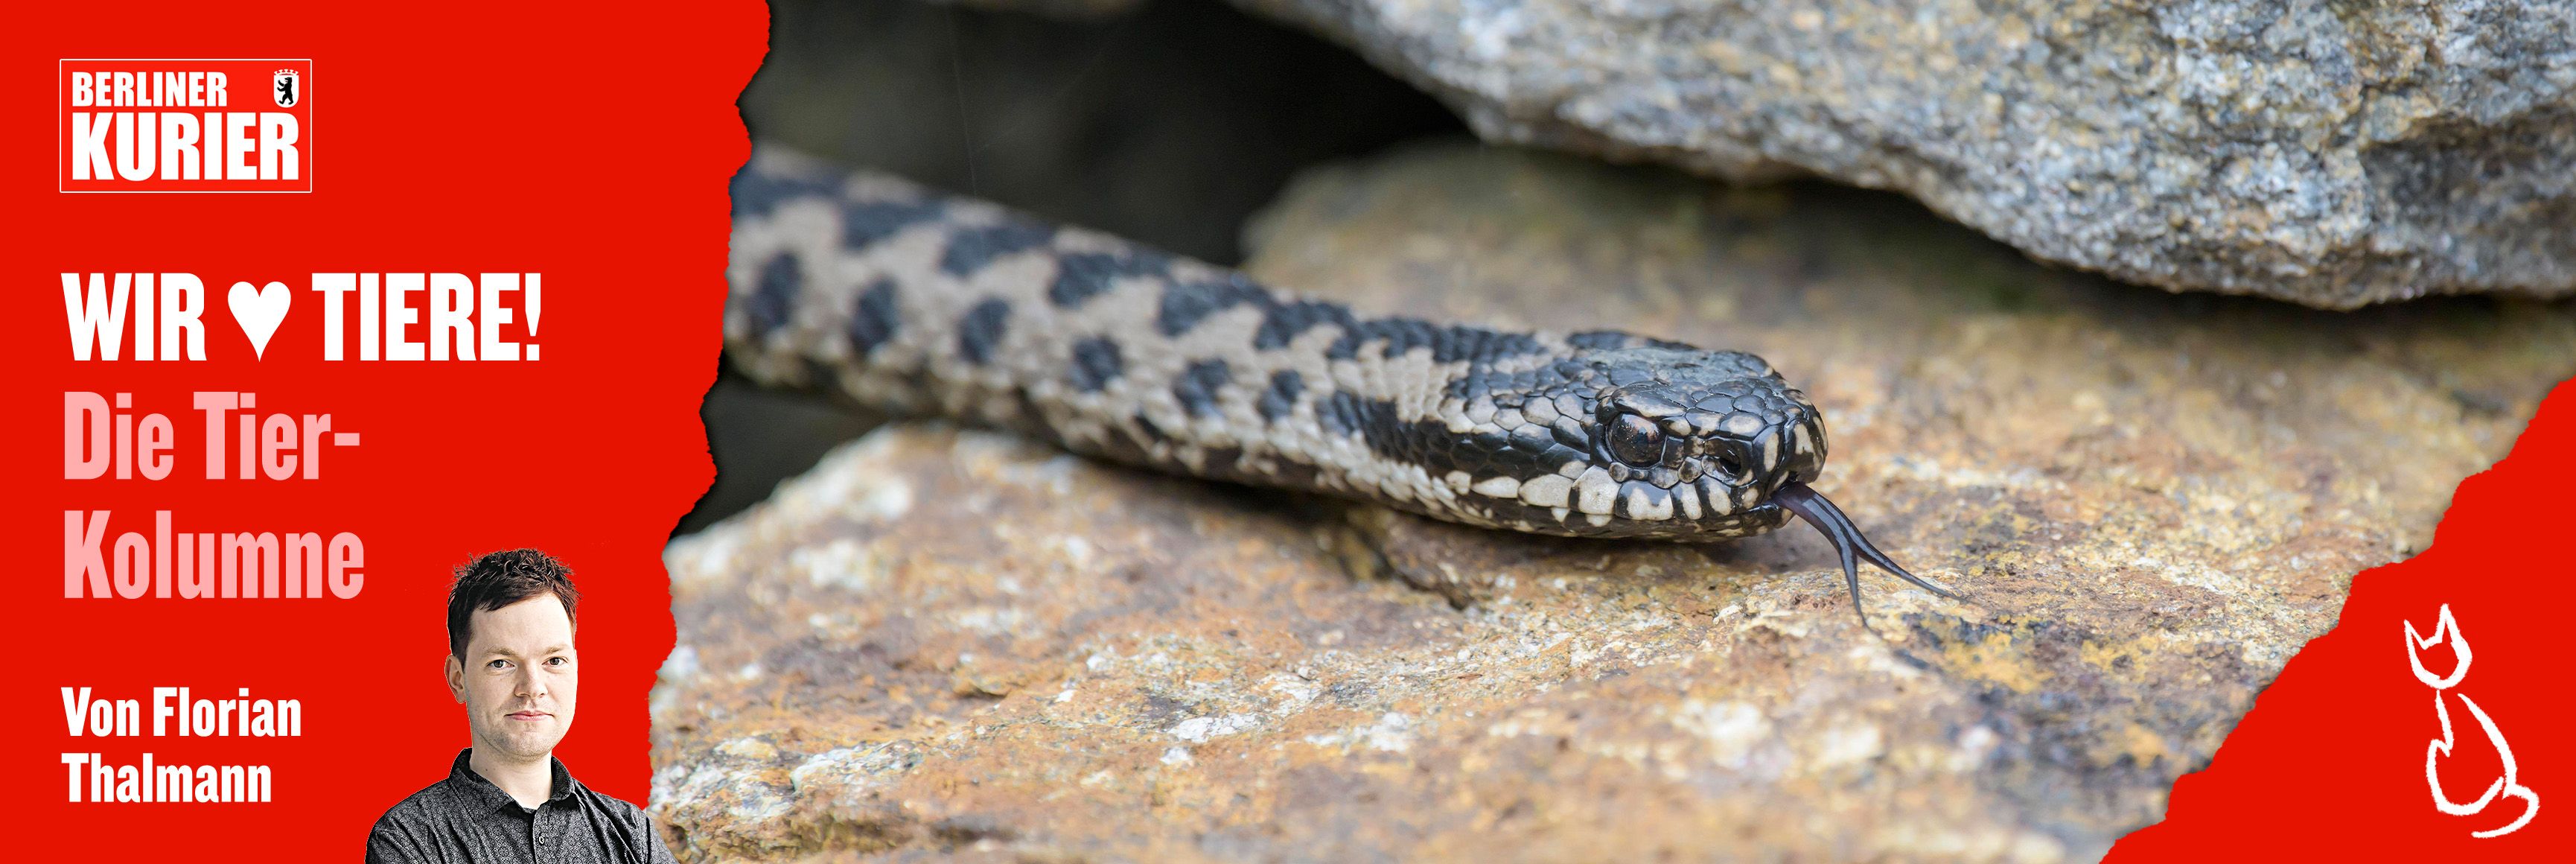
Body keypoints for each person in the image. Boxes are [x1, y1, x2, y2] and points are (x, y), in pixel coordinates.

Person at [366, 550, 677, 863]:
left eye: (553, 661)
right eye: (501, 663)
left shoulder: (632, 833)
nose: (532, 688)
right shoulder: (408, 840)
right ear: (458, 679)